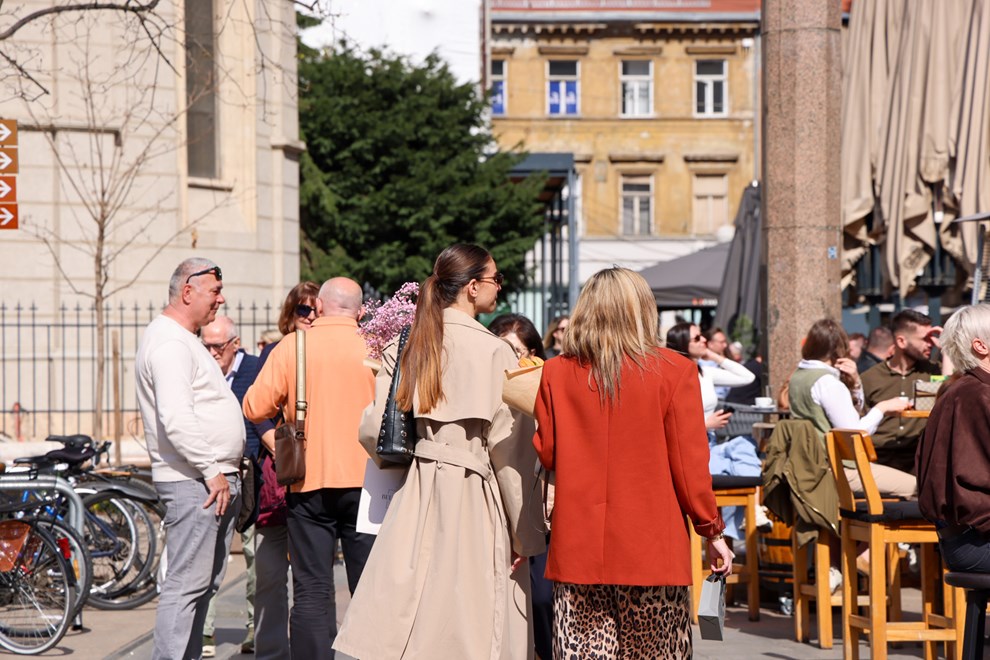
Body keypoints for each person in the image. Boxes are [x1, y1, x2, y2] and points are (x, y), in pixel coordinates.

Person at [333, 244, 546, 660]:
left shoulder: (409, 342)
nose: (499, 288)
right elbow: (510, 452)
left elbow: (373, 429)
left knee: (410, 616)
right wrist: (526, 534)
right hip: (475, 495)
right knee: (469, 621)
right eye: (495, 279)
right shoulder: (495, 351)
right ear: (472, 287)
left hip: (416, 490)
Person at [533, 267, 732, 657]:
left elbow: (548, 451)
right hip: (652, 547)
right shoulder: (674, 371)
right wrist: (712, 531)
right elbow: (690, 466)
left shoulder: (555, 372)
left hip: (579, 545)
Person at [244, 277, 376, 658]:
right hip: (369, 483)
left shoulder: (294, 346)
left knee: (312, 590)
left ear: (319, 307)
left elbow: (254, 407)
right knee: (371, 588)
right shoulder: (376, 346)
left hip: (308, 482)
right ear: (360, 312)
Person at [134, 258, 244, 660]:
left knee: (200, 587)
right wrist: (212, 471)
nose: (221, 299)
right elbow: (176, 418)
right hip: (195, 482)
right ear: (187, 292)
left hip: (204, 480)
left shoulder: (181, 339)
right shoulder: (170, 343)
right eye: (215, 291)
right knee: (185, 587)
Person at [200, 316, 272, 656]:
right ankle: (205, 630)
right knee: (209, 557)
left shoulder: (257, 369)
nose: (212, 352)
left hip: (252, 475)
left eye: (218, 346)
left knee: (257, 558)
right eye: (206, 346)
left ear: (236, 344)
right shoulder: (200, 370)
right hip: (212, 475)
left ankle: (255, 629)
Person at [787, 319, 914, 499]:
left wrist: (854, 384)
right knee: (919, 488)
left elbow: (847, 417)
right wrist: (882, 407)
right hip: (836, 470)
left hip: (809, 466)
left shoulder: (798, 376)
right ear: (840, 350)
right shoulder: (828, 383)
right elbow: (855, 435)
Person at [488, 312, 552, 660]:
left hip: (539, 510)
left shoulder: (543, 387)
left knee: (541, 598)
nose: (509, 358)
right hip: (493, 506)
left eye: (517, 351)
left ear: (533, 354)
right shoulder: (483, 386)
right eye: (501, 348)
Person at [917, 304, 990, 572]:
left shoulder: (958, 391)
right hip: (978, 540)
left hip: (961, 538)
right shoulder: (979, 395)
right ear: (981, 346)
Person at [860, 309, 943, 473]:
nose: (931, 343)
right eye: (925, 338)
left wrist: (946, 349)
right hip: (878, 458)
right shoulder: (869, 378)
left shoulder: (934, 372)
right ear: (901, 341)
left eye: (932, 337)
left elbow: (950, 394)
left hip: (918, 459)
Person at [665, 322, 755, 439]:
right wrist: (706, 425)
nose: (704, 340)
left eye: (702, 335)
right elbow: (672, 425)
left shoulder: (705, 373)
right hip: (691, 443)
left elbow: (748, 377)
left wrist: (713, 356)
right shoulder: (673, 379)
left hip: (710, 440)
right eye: (697, 338)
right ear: (682, 343)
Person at [258, 281, 320, 368]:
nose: (311, 316)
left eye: (317, 310)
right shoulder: (273, 351)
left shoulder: (331, 349)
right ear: (291, 312)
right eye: (303, 310)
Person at [700, 327, 732, 398]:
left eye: (725, 342)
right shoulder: (701, 364)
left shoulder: (723, 361)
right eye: (721, 342)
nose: (725, 345)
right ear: (710, 344)